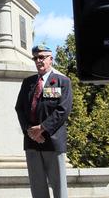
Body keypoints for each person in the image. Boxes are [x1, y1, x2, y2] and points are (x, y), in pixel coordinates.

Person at [15, 44, 73, 198]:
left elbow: (63, 109)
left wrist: (42, 128)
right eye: (35, 58)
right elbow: (19, 108)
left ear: (51, 59)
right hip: (32, 141)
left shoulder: (62, 81)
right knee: (37, 188)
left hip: (52, 141)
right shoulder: (28, 82)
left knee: (59, 188)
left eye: (42, 57)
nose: (38, 61)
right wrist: (30, 131)